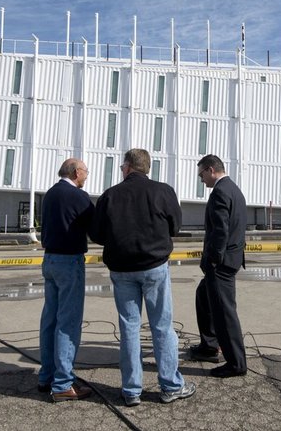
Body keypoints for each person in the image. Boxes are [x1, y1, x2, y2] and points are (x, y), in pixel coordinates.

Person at [89, 149, 195, 407]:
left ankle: (131, 390)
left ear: (127, 167)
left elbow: (97, 234)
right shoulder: (163, 191)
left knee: (129, 327)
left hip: (122, 270)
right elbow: (175, 226)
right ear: (147, 168)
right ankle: (170, 385)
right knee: (161, 325)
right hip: (154, 266)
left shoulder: (110, 195)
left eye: (122, 167)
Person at [38, 158, 94, 402]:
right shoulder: (78, 197)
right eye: (85, 172)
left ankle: (47, 376)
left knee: (50, 319)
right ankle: (62, 383)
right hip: (70, 262)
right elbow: (97, 228)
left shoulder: (49, 194)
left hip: (49, 260)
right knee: (68, 323)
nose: (86, 176)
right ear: (75, 172)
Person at [189, 154, 247, 378]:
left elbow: (221, 230)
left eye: (202, 174)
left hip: (221, 264)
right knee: (203, 296)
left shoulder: (221, 192)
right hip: (230, 259)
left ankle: (236, 363)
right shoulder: (234, 189)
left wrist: (213, 258)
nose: (201, 179)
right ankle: (209, 345)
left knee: (224, 313)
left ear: (211, 169)